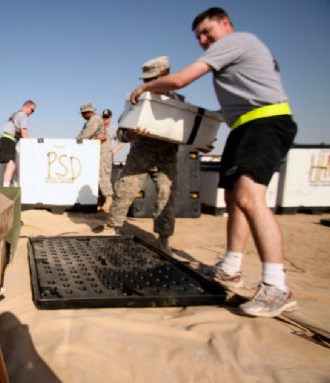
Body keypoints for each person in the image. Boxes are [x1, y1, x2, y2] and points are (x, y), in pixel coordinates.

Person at [129, 7, 299, 317]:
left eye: (208, 32)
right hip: (244, 126)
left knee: (250, 197)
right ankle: (231, 267)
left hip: (265, 122)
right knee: (235, 200)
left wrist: (144, 88)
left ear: (226, 23)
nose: (204, 40)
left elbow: (181, 80)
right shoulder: (232, 51)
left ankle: (277, 286)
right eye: (199, 37)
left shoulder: (236, 41)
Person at [95, 56, 182, 254]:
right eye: (145, 80)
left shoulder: (179, 103)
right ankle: (113, 228)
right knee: (124, 191)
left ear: (164, 75)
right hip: (140, 157)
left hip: (166, 159)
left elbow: (187, 133)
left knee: (166, 197)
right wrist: (129, 134)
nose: (146, 83)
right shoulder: (136, 100)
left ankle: (163, 240)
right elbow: (120, 134)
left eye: (152, 78)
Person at [77, 103, 114, 212]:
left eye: (83, 114)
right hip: (96, 150)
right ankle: (101, 201)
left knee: (102, 174)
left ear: (87, 112)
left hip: (102, 151)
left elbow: (85, 135)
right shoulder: (90, 121)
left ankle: (108, 199)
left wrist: (74, 142)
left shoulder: (95, 119)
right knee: (95, 175)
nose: (82, 116)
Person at [0, 100, 35, 186]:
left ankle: (6, 186)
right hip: (8, 140)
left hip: (3, 140)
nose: (32, 113)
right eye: (32, 110)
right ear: (26, 106)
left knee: (11, 167)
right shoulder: (23, 115)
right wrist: (33, 146)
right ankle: (6, 189)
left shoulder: (16, 114)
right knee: (11, 166)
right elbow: (24, 132)